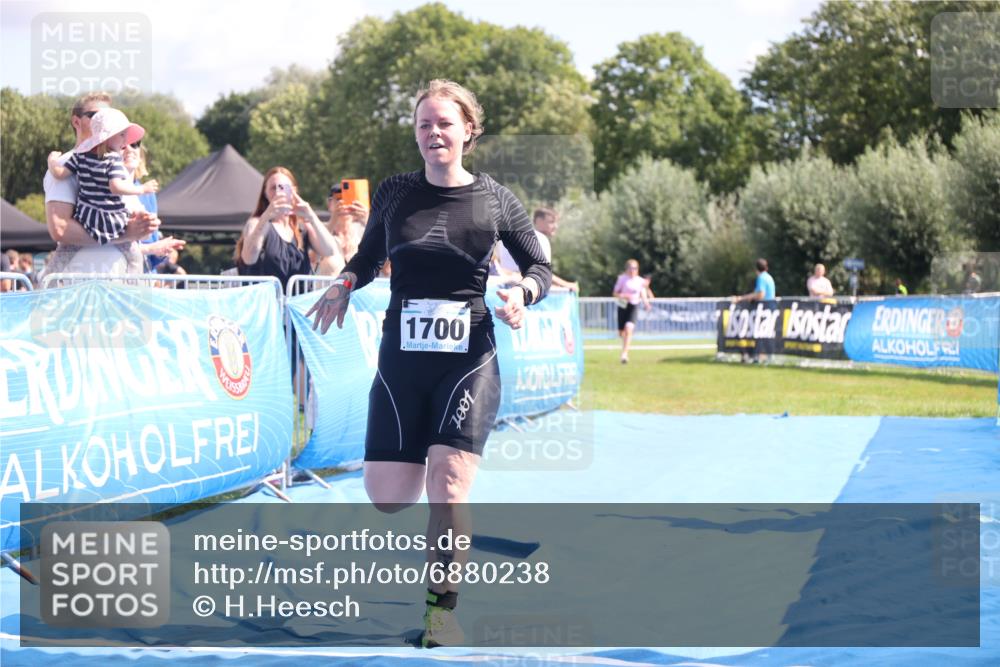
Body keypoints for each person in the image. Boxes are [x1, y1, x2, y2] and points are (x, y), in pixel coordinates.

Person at [307, 79, 551, 648]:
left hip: (468, 358)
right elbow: (367, 259)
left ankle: (442, 613)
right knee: (389, 495)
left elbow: (538, 266)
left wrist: (523, 295)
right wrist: (344, 283)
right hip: (402, 361)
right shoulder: (395, 192)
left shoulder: (495, 199)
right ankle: (448, 522)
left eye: (444, 123)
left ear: (469, 129)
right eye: (424, 124)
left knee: (448, 483)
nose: (433, 132)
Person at [42, 92, 160, 277]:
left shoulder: (116, 163)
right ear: (76, 122)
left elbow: (138, 231)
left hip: (116, 289)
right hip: (83, 290)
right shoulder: (67, 162)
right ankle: (43, 289)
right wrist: (125, 234)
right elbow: (60, 229)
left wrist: (144, 225)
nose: (105, 121)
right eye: (95, 115)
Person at [237, 167, 338, 291]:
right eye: (273, 188)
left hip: (297, 304)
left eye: (284, 187)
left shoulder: (302, 227)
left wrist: (311, 215)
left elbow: (329, 250)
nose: (278, 192)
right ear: (265, 193)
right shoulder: (256, 223)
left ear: (294, 190)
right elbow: (248, 258)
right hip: (266, 304)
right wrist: (267, 215)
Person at [119, 141, 185, 272]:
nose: (129, 148)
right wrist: (151, 248)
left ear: (141, 154)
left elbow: (151, 249)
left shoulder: (149, 195)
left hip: (142, 279)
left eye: (135, 144)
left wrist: (161, 250)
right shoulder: (102, 189)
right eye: (122, 144)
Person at [497, 208, 579, 292]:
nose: (556, 226)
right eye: (551, 222)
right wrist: (567, 284)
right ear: (539, 221)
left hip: (506, 285)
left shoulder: (505, 239)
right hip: (522, 287)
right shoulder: (539, 238)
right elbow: (541, 271)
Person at [316, 183, 369, 277]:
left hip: (358, 291)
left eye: (350, 200)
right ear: (329, 203)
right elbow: (311, 257)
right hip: (326, 290)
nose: (344, 205)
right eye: (339, 199)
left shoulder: (364, 231)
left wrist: (368, 221)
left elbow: (386, 268)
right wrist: (333, 221)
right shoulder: (320, 229)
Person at [612, 259, 651, 364]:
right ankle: (623, 340)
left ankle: (624, 354)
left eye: (635, 268)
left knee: (629, 329)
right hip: (623, 304)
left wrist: (646, 303)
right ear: (627, 269)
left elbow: (642, 292)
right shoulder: (622, 279)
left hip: (634, 305)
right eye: (631, 268)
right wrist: (624, 296)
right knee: (621, 331)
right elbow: (615, 293)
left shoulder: (640, 281)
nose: (633, 270)